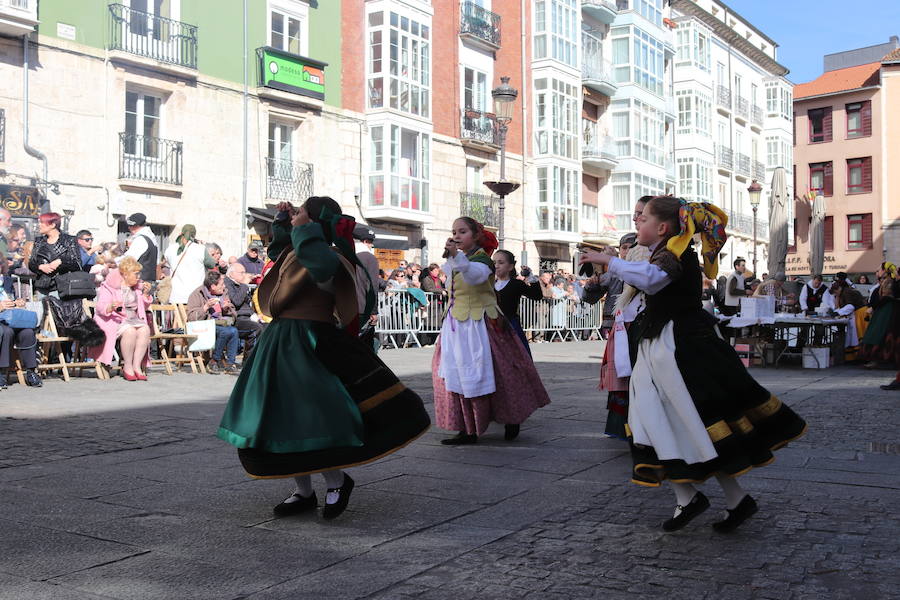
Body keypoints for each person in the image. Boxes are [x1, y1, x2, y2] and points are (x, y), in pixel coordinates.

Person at [580, 197, 806, 533]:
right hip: (661, 348)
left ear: (663, 227)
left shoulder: (675, 254)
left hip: (679, 349)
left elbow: (653, 279)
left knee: (688, 422)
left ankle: (721, 498)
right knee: (657, 421)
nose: (637, 223)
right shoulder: (667, 251)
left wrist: (609, 261)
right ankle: (699, 497)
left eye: (643, 219)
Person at [217, 197, 430, 519]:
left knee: (313, 417)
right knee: (278, 417)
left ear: (315, 222)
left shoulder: (327, 256)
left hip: (310, 342)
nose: (296, 219)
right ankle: (303, 491)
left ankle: (336, 480)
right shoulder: (298, 250)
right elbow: (279, 252)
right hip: (280, 340)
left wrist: (303, 231)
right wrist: (281, 222)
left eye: (302, 213)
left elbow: (316, 266)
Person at [432, 216, 551, 444]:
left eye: (462, 231)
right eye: (454, 231)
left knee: (499, 372)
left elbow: (474, 276)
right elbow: (452, 282)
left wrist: (455, 256)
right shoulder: (461, 259)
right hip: (457, 324)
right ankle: (467, 428)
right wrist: (454, 257)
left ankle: (510, 418)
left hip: (482, 324)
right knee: (457, 373)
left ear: (476, 235)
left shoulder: (483, 261)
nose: (457, 236)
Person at [90, 258, 152, 381]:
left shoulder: (137, 288)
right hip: (114, 321)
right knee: (130, 331)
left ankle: (136, 366)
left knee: (145, 329)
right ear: (125, 274)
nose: (138, 277)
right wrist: (111, 306)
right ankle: (127, 366)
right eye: (136, 274)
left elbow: (142, 307)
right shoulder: (110, 287)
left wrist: (145, 294)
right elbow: (100, 307)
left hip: (133, 319)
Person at [187, 270, 240, 374]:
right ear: (213, 286)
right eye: (221, 284)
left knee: (234, 331)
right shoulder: (197, 294)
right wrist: (205, 307)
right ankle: (214, 361)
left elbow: (234, 312)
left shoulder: (223, 293)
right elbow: (191, 317)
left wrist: (226, 309)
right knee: (225, 332)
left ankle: (230, 364)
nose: (224, 286)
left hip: (221, 323)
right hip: (204, 325)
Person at [493, 249, 542, 354]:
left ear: (510, 267)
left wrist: (530, 277)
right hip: (492, 326)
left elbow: (537, 296)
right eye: (494, 262)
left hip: (510, 325)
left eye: (501, 263)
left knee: (515, 355)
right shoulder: (490, 285)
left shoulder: (516, 284)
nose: (496, 265)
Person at [0, 268, 41, 389]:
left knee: (27, 332)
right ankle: (1, 372)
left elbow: (12, 299)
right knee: (6, 332)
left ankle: (31, 371)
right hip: (3, 323)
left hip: (12, 319)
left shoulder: (6, 281)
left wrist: (18, 302)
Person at [28, 212, 82, 298]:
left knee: (61, 311)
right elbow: (31, 263)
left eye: (42, 222)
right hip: (43, 286)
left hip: (63, 286)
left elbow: (77, 263)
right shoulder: (38, 241)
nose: (39, 225)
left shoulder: (69, 240)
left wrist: (61, 261)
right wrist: (41, 267)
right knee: (43, 311)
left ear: (52, 225)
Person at [859, 262, 900, 370]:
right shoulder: (885, 282)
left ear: (885, 271)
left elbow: (887, 297)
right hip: (882, 311)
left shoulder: (890, 282)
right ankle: (876, 360)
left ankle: (880, 360)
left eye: (879, 270)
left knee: (880, 334)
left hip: (886, 312)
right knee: (877, 334)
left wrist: (874, 306)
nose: (877, 272)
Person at [163, 225, 216, 304]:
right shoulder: (200, 249)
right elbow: (212, 264)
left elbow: (163, 262)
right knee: (194, 316)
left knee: (177, 316)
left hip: (175, 296)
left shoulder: (170, 249)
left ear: (181, 233)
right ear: (194, 235)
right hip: (195, 296)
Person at [225, 262, 264, 359]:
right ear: (232, 274)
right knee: (256, 329)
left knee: (268, 327)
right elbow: (236, 301)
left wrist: (255, 315)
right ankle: (249, 360)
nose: (244, 275)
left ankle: (260, 359)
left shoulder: (239, 284)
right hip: (235, 318)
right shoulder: (227, 283)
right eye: (241, 273)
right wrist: (244, 284)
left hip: (247, 317)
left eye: (244, 272)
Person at [352, 223, 380, 351]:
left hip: (344, 307)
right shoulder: (369, 258)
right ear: (365, 241)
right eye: (370, 242)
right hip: (363, 307)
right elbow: (373, 285)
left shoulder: (344, 254)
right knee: (364, 346)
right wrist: (374, 311)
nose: (372, 246)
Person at [119, 213, 158, 284]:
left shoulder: (141, 239)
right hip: (148, 281)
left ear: (136, 226)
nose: (129, 228)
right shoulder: (151, 237)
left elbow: (128, 260)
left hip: (139, 283)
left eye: (130, 226)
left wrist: (112, 261)